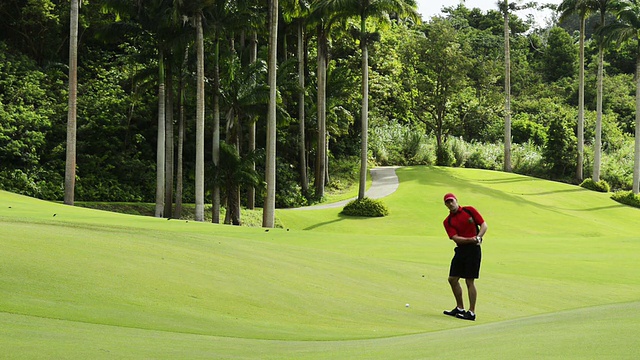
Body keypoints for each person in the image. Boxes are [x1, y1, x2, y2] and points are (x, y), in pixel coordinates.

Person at [441, 193, 488, 321]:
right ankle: (460, 308)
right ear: (445, 205)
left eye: (452, 201)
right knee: (452, 279)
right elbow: (456, 238)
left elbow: (484, 225)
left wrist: (478, 237)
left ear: (456, 200)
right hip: (461, 250)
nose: (450, 204)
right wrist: (471, 239)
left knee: (469, 281)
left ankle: (471, 312)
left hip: (473, 250)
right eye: (447, 202)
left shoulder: (469, 210)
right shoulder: (448, 221)